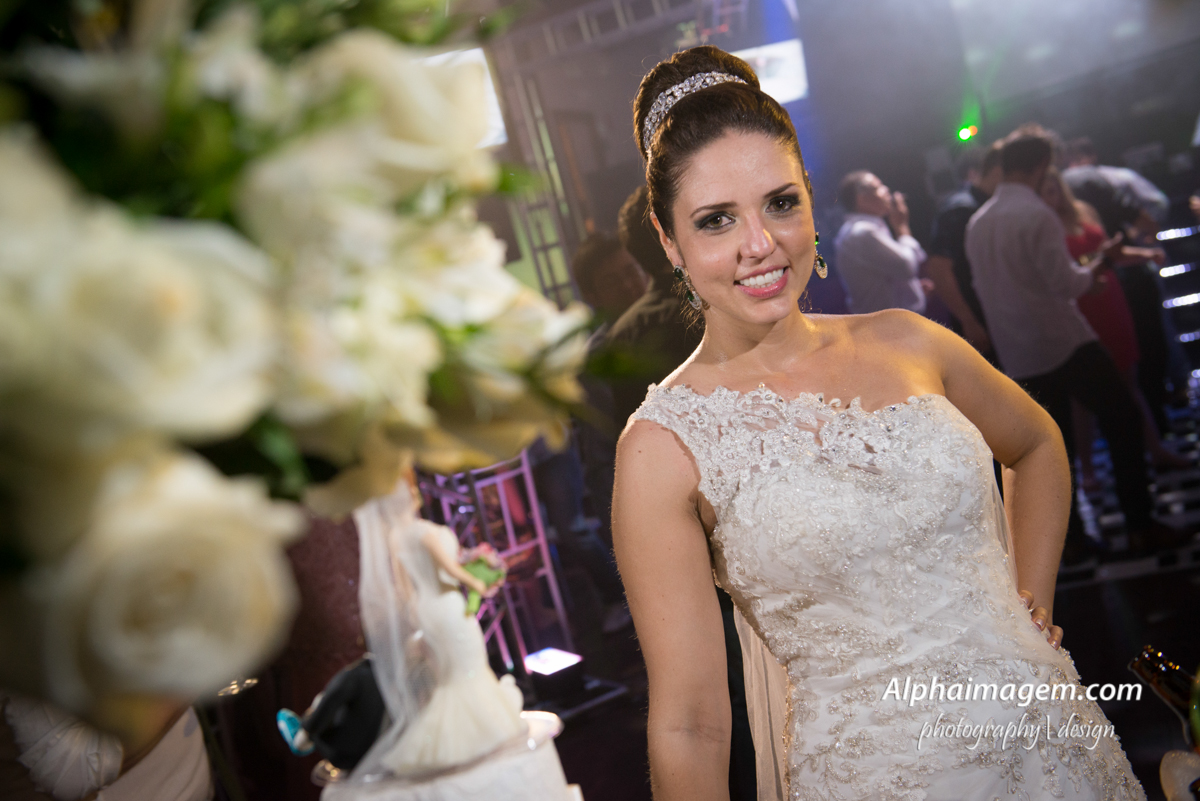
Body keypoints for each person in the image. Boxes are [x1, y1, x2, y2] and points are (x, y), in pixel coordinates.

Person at [614, 47, 1144, 801]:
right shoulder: (663, 446)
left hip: (1056, 751)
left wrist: (1029, 610)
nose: (760, 243)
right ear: (669, 241)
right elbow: (691, 725)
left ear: (809, 198)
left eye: (780, 203)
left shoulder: (907, 340)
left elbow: (1036, 443)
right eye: (716, 220)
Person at [966, 125, 1183, 562]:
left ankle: (1072, 546)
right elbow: (1065, 284)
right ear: (1041, 165)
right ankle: (1140, 526)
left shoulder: (979, 222)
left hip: (1019, 352)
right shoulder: (1035, 213)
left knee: (1048, 451)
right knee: (1123, 418)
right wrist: (1097, 270)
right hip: (1062, 340)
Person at [1038, 167, 1190, 487]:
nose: (1053, 196)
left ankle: (1155, 449)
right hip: (1081, 306)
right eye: (1045, 191)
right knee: (1084, 396)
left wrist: (1145, 254)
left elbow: (1112, 253)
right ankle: (1087, 470)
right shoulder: (1041, 226)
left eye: (1055, 189)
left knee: (1128, 379)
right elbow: (1059, 275)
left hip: (1110, 299)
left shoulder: (1084, 211)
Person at [925, 143, 1003, 355]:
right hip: (979, 316)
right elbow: (939, 269)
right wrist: (969, 322)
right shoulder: (961, 208)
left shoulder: (985, 204)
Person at [833, 170, 928, 315]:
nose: (887, 190)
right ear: (861, 199)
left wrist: (913, 289)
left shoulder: (861, 230)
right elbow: (907, 267)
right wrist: (902, 227)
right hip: (891, 327)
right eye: (878, 187)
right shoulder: (863, 232)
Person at [570, 232, 648, 325]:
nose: (627, 286)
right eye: (611, 283)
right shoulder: (611, 335)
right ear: (592, 298)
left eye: (631, 272)